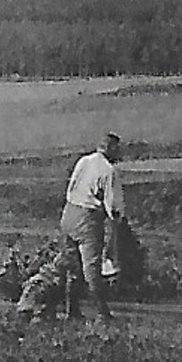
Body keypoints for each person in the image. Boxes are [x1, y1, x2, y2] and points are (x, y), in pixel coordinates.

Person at [60, 133, 124, 322]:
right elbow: (113, 207)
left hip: (69, 215)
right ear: (111, 148)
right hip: (88, 218)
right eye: (117, 149)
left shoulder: (84, 161)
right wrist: (116, 227)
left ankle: (71, 311)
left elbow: (70, 188)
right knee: (92, 269)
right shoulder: (108, 171)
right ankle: (102, 314)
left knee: (73, 267)